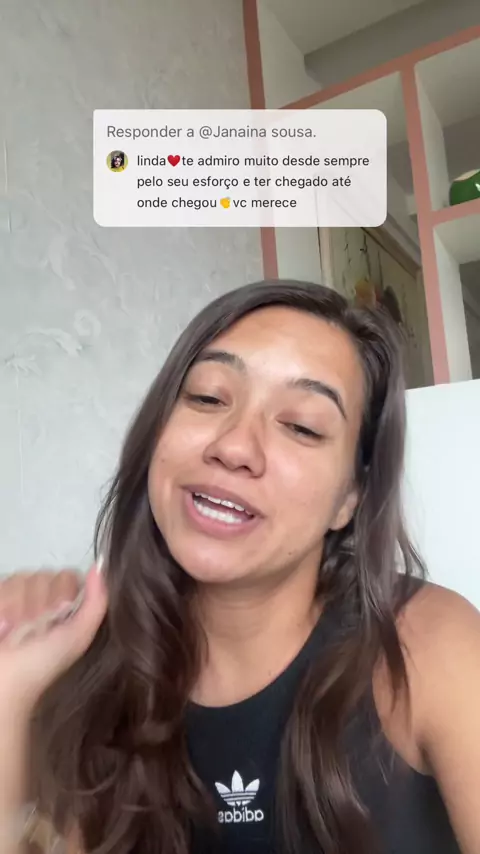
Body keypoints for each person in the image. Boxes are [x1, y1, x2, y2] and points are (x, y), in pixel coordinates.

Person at [1, 279, 479, 854]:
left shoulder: (428, 644)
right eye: (207, 397)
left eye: (302, 426)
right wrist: (11, 687)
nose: (233, 447)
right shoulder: (95, 677)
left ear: (349, 499)